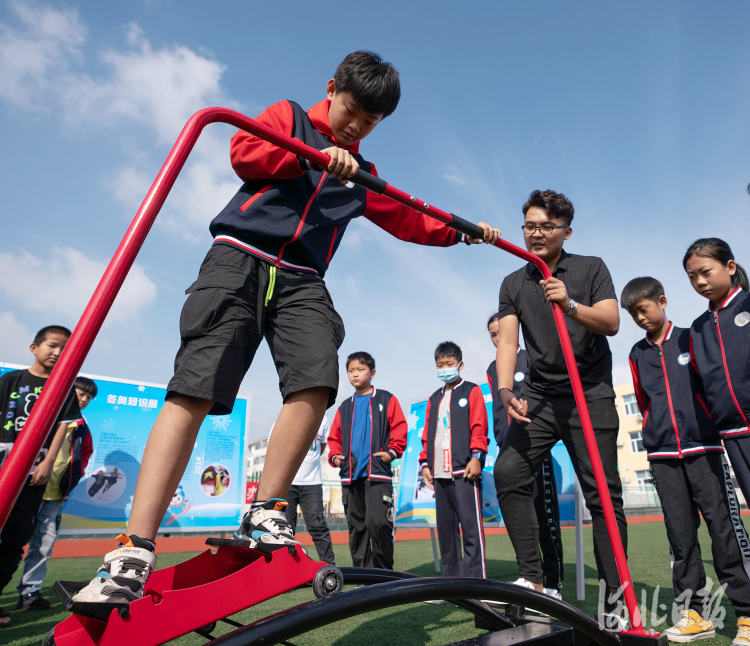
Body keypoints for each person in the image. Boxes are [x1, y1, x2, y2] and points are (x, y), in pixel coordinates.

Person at [72, 50, 500, 605]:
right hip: (239, 256)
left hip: (302, 277)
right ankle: (133, 547)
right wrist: (312, 158)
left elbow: (409, 218)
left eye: (370, 124)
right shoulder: (291, 118)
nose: (356, 128)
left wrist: (464, 232)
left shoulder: (362, 174)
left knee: (318, 378)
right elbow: (243, 152)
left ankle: (266, 510)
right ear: (331, 89)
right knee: (193, 389)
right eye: (351, 113)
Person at [492, 189, 627, 627]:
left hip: (589, 393)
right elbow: (509, 342)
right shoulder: (514, 282)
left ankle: (617, 600)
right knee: (508, 472)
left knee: (603, 495)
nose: (535, 233)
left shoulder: (591, 268)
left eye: (545, 226)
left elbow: (610, 321)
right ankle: (534, 580)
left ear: (566, 231)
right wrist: (505, 390)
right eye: (529, 225)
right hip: (541, 396)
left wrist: (569, 304)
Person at [623, 276, 750, 643]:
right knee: (680, 539)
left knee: (724, 532)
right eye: (633, 315)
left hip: (703, 450)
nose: (640, 318)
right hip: (662, 455)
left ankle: (746, 613)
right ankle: (696, 614)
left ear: (661, 302)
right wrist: (655, 432)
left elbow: (711, 384)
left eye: (644, 309)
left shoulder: (689, 337)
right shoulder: (637, 353)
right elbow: (643, 402)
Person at [684, 238, 750, 646]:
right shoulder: (699, 328)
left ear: (729, 266)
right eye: (692, 276)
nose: (699, 281)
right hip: (732, 436)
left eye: (706, 272)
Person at [0, 326, 82, 627]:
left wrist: (48, 461)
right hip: (3, 461)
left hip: (34, 472)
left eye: (65, 348)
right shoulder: (11, 380)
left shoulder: (64, 387)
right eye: (52, 345)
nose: (57, 352)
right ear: (34, 347)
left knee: (17, 536)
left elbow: (62, 427)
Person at [486, 314, 563, 598]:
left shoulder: (530, 356)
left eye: (500, 332)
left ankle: (554, 583)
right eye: (492, 334)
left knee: (545, 516)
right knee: (521, 516)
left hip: (535, 446)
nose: (497, 338)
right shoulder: (493, 368)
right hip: (509, 450)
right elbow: (497, 409)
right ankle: (531, 577)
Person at [15, 376, 95, 612]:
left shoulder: (82, 426)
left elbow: (86, 454)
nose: (84, 399)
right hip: (26, 489)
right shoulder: (44, 414)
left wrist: (73, 477)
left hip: (55, 495)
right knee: (11, 541)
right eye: (80, 393)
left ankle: (30, 592)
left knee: (43, 545)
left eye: (88, 397)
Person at [328, 352, 407, 569]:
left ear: (372, 373)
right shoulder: (345, 406)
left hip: (378, 474)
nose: (355, 374)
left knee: (379, 523)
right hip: (351, 476)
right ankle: (363, 576)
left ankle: (383, 575)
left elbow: (400, 427)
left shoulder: (386, 399)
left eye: (360, 369)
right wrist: (336, 458)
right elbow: (334, 437)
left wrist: (392, 453)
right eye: (351, 370)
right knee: (357, 527)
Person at [419, 341, 488, 578]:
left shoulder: (471, 391)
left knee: (471, 531)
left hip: (464, 472)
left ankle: (477, 586)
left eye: (449, 364)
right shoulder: (433, 398)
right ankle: (452, 587)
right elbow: (427, 434)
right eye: (440, 365)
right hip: (439, 474)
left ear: (460, 365)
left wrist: (477, 456)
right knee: (446, 533)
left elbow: (479, 427)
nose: (444, 368)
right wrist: (425, 465)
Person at [268, 415, 335, 565]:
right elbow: (273, 447)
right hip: (287, 483)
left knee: (318, 526)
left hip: (313, 482)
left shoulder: (323, 419)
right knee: (285, 529)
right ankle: (285, 569)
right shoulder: (286, 414)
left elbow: (321, 448)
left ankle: (330, 567)